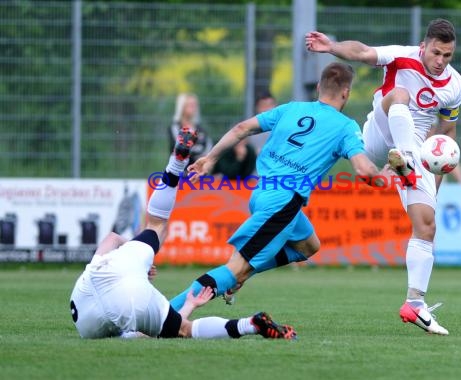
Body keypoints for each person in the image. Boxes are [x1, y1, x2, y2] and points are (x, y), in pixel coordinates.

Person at [169, 62, 393, 310]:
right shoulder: (346, 127)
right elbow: (363, 169)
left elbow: (241, 128)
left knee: (309, 246)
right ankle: (168, 311)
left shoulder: (291, 108)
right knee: (235, 268)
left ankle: (243, 274)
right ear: (346, 93)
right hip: (283, 203)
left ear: (319, 87)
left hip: (262, 193)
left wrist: (210, 159)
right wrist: (383, 177)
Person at [305, 18, 461, 335]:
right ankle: (401, 160)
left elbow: (446, 134)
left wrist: (434, 186)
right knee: (400, 94)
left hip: (417, 149)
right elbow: (362, 52)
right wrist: (331, 47)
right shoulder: (402, 55)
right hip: (381, 132)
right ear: (424, 46)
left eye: (447, 56)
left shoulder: (455, 85)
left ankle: (415, 304)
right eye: (436, 53)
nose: (440, 61)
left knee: (426, 225)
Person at [69, 127, 296, 340]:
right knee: (156, 226)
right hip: (118, 276)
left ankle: (251, 324)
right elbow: (113, 238)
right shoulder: (110, 264)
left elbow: (136, 335)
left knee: (181, 328)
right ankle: (175, 165)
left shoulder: (95, 303)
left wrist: (184, 303)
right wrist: (189, 303)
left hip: (89, 297)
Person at [169, 93, 213, 165]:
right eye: (190, 105)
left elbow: (209, 148)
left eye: (195, 105)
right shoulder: (175, 127)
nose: (194, 108)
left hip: (197, 171)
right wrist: (199, 150)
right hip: (178, 171)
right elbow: (181, 149)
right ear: (182, 107)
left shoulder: (200, 129)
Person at [247, 91, 277, 155]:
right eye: (264, 105)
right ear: (257, 108)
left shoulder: (283, 127)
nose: (268, 109)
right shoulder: (248, 129)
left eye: (271, 105)